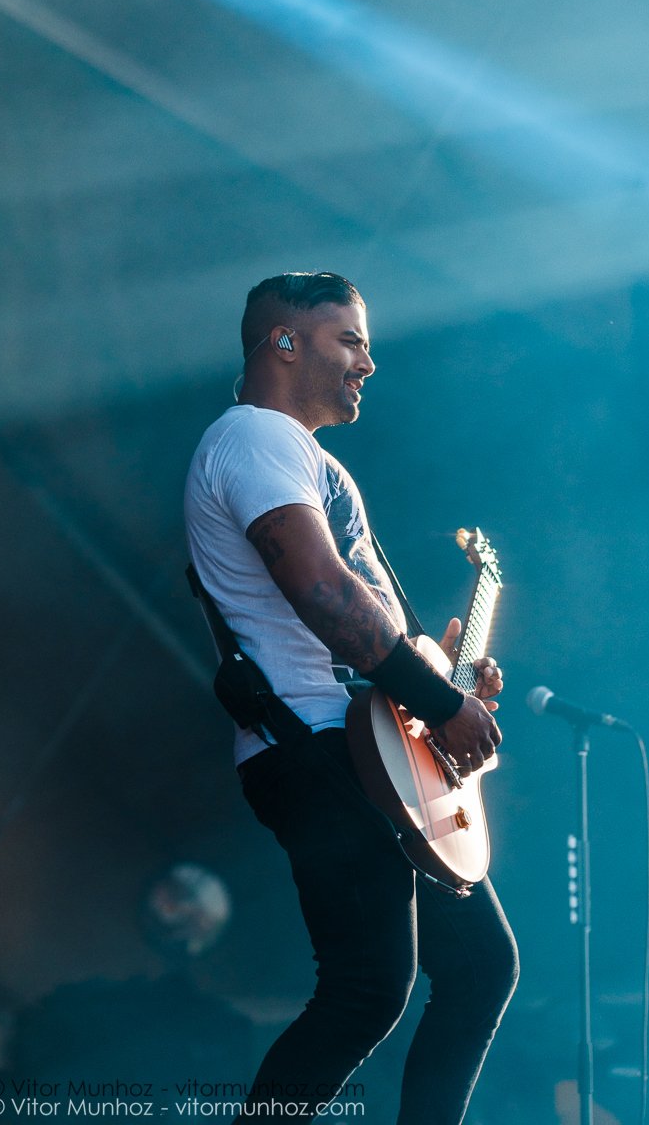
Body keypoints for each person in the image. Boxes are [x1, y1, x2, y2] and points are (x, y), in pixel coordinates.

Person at [184, 271, 519, 1124]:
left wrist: (442, 675)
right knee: (369, 988)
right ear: (284, 341)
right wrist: (439, 706)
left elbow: (371, 623)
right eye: (350, 340)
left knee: (477, 966)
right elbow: (323, 595)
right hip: (316, 745)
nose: (369, 362)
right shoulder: (254, 436)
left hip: (367, 745)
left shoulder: (317, 461)